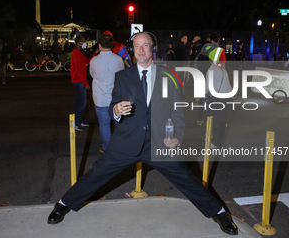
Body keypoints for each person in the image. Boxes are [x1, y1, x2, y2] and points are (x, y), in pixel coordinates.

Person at [47, 32, 238, 236]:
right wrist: (116, 111)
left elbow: (177, 111)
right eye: (137, 46)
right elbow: (114, 104)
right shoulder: (122, 76)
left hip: (158, 143)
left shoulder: (167, 76)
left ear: (152, 48)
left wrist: (177, 137)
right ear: (133, 49)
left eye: (145, 45)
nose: (141, 50)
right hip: (126, 141)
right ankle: (63, 204)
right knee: (97, 173)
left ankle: (219, 212)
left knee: (185, 177)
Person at [90, 33, 124, 153]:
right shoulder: (118, 59)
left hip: (100, 98)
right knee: (119, 123)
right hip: (115, 98)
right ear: (112, 45)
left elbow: (92, 74)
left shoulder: (94, 60)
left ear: (99, 45)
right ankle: (120, 145)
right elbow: (122, 75)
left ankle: (107, 147)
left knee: (104, 124)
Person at [70, 36, 90, 131]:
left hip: (79, 81)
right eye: (84, 41)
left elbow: (87, 61)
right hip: (79, 81)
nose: (85, 42)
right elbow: (79, 71)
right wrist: (85, 83)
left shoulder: (78, 53)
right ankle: (77, 123)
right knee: (81, 103)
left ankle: (78, 121)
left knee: (81, 103)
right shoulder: (77, 54)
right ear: (79, 43)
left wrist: (95, 54)